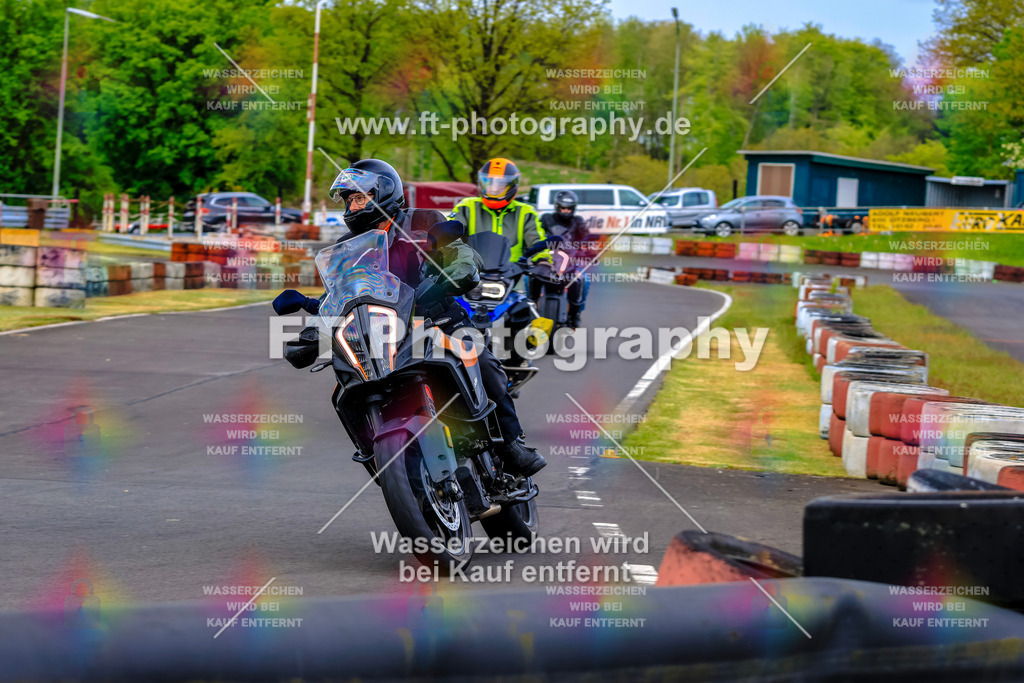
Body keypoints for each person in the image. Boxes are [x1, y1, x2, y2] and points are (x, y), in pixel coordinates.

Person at [281, 159, 545, 476]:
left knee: (483, 362)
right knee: (345, 384)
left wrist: (459, 268)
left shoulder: (423, 220)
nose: (352, 206)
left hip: (437, 317)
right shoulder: (346, 248)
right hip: (383, 333)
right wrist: (313, 332)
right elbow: (337, 297)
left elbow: (458, 250)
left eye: (358, 197)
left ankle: (510, 443)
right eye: (349, 200)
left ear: (384, 192)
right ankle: (379, 455)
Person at [449, 158, 553, 264]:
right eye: (489, 183)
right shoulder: (467, 207)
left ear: (512, 186)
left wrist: (543, 261)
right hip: (473, 271)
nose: (494, 189)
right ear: (481, 183)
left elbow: (537, 243)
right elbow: (449, 231)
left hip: (514, 274)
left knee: (534, 279)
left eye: (500, 184)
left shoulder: (526, 212)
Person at [538, 189, 592, 328]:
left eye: (569, 208)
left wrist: (588, 250)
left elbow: (586, 239)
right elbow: (536, 236)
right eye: (563, 208)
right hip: (546, 261)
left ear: (574, 208)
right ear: (557, 206)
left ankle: (575, 313)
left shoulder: (578, 221)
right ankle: (530, 305)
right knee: (528, 277)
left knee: (583, 280)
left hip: (571, 261)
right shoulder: (546, 219)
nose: (566, 211)